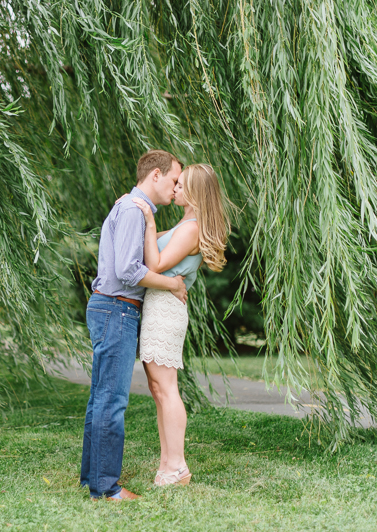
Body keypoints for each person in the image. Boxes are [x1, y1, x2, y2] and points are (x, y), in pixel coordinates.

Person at [81, 150, 189, 501]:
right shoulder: (132, 210)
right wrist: (173, 284)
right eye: (174, 180)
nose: (176, 188)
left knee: (101, 398)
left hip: (111, 308)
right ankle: (106, 488)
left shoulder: (132, 208)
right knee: (111, 401)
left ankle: (92, 478)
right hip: (117, 309)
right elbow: (128, 271)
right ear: (155, 175)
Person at [131, 163, 231, 487]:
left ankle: (177, 467)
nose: (174, 187)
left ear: (195, 191)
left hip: (165, 309)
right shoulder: (186, 224)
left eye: (181, 184)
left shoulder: (191, 227)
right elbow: (153, 249)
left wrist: (148, 219)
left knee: (166, 388)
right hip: (159, 305)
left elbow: (155, 263)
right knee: (158, 389)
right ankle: (168, 464)